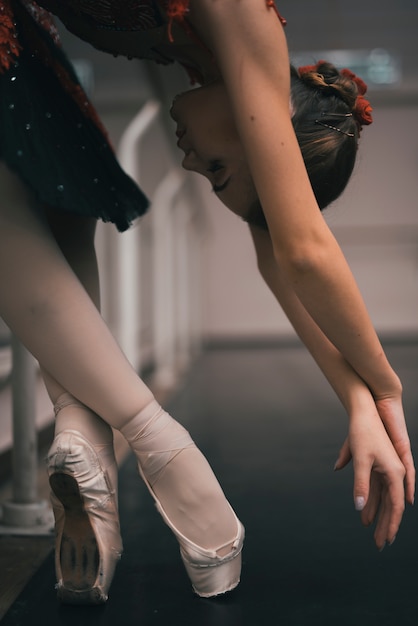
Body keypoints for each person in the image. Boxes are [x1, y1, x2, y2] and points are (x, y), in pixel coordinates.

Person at [0, 0, 414, 605]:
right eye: (218, 168)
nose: (189, 162)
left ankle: (83, 435)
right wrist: (387, 387)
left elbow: (275, 256)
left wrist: (356, 399)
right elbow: (300, 251)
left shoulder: (215, 65)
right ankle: (159, 445)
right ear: (264, 129)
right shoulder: (245, 22)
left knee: (70, 170)